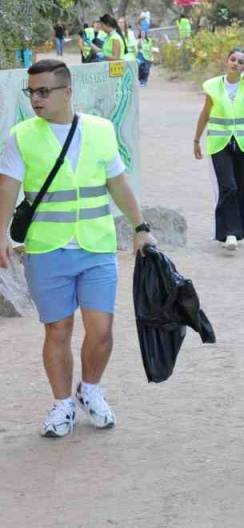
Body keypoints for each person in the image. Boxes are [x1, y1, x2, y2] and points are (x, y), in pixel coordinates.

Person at [0, 59, 157, 438]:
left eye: (43, 91)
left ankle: (90, 390)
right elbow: (6, 188)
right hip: (47, 249)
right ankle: (61, 404)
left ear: (66, 92)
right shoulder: (21, 136)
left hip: (96, 245)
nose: (36, 98)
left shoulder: (102, 131)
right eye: (31, 91)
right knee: (58, 328)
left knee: (101, 329)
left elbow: (118, 183)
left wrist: (141, 227)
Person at [192, 49, 244, 252]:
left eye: (240, 62)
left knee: (241, 187)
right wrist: (196, 139)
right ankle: (230, 233)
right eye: (232, 59)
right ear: (226, 61)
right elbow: (205, 113)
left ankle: (233, 232)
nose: (235, 64)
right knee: (228, 186)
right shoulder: (213, 85)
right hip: (219, 141)